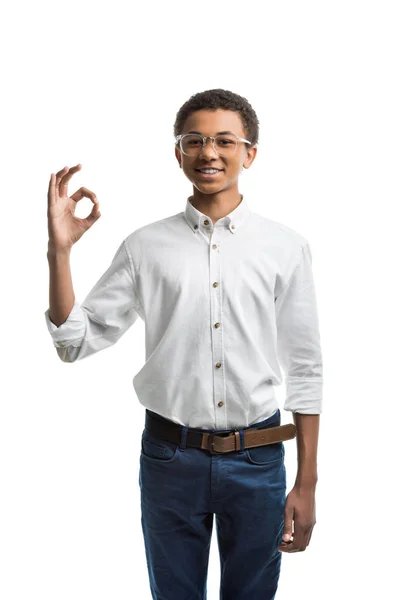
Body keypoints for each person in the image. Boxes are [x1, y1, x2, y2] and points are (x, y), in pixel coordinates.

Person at [45, 88, 323, 600]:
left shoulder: (285, 248)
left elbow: (306, 369)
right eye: (194, 140)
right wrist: (58, 252)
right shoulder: (145, 247)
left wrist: (307, 482)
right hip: (170, 458)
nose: (208, 152)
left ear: (250, 152)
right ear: (178, 153)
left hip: (258, 460)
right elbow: (74, 342)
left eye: (224, 140)